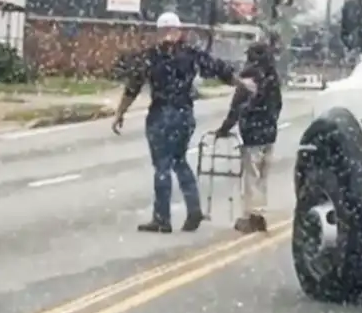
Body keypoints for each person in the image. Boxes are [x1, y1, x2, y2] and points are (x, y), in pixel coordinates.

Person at [112, 12, 257, 234]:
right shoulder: (189, 54)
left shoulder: (151, 57)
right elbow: (218, 68)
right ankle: (194, 209)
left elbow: (133, 85)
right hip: (185, 113)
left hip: (161, 112)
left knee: (162, 165)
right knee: (179, 161)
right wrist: (240, 83)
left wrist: (120, 112)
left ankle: (162, 218)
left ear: (159, 32)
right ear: (179, 31)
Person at [214, 39, 283, 233]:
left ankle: (251, 217)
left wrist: (225, 129)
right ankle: (260, 213)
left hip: (252, 133)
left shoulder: (249, 78)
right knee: (262, 176)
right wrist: (270, 120)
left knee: (251, 176)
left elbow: (236, 107)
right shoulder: (273, 78)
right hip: (269, 133)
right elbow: (277, 105)